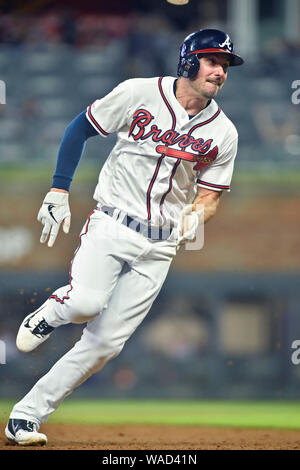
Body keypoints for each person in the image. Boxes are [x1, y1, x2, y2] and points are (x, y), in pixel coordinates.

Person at [5, 29, 244, 446]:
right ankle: (50, 312)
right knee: (84, 303)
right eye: (211, 61)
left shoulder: (224, 132)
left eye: (224, 65)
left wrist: (199, 213)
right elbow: (79, 128)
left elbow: (210, 195)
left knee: (104, 346)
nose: (219, 71)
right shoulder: (139, 93)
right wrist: (59, 188)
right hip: (113, 223)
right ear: (188, 61)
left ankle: (25, 416)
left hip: (161, 245)